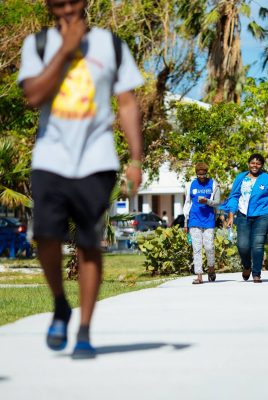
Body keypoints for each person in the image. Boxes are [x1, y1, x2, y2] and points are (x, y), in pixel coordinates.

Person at [18, 0, 144, 358]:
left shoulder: (111, 45)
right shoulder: (38, 45)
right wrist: (66, 51)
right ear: (50, 7)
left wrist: (136, 159)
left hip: (97, 159)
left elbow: (127, 102)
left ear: (84, 2)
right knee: (45, 235)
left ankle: (85, 330)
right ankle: (60, 304)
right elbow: (33, 96)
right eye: (59, 4)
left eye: (72, 1)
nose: (67, 9)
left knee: (89, 242)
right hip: (50, 158)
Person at [222, 154, 268, 283]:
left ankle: (256, 273)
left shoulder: (266, 178)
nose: (255, 165)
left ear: (262, 165)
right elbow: (234, 196)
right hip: (243, 215)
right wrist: (231, 215)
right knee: (242, 245)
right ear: (248, 164)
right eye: (253, 163)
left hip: (263, 215)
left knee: (258, 244)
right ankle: (247, 266)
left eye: (258, 163)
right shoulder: (241, 177)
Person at [183, 162, 221, 284]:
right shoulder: (190, 185)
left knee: (209, 247)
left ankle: (211, 268)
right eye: (199, 175)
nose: (201, 177)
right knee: (197, 248)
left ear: (206, 173)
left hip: (209, 220)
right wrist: (185, 222)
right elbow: (187, 204)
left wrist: (207, 201)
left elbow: (217, 202)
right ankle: (199, 275)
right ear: (196, 174)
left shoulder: (214, 184)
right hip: (194, 219)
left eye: (203, 174)